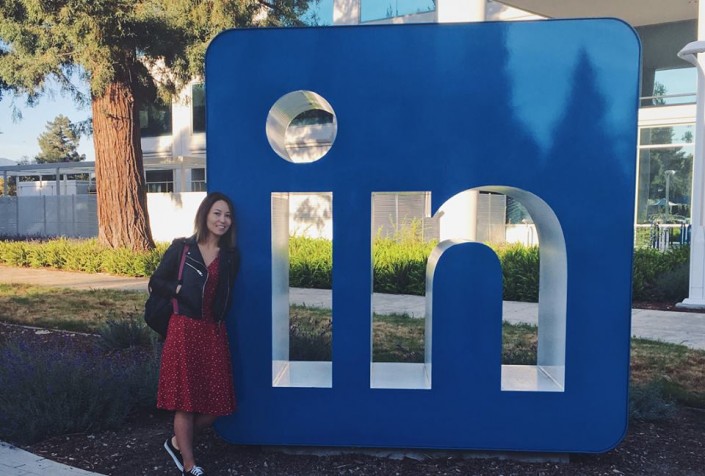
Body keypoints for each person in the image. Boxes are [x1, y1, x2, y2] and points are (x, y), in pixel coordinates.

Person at [149, 192, 240, 476]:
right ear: (205, 215)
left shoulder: (230, 257)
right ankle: (189, 464)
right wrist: (178, 290)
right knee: (185, 402)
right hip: (184, 330)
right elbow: (156, 282)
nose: (222, 220)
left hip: (212, 331)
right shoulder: (183, 248)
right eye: (217, 213)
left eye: (227, 215)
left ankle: (177, 442)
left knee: (217, 404)